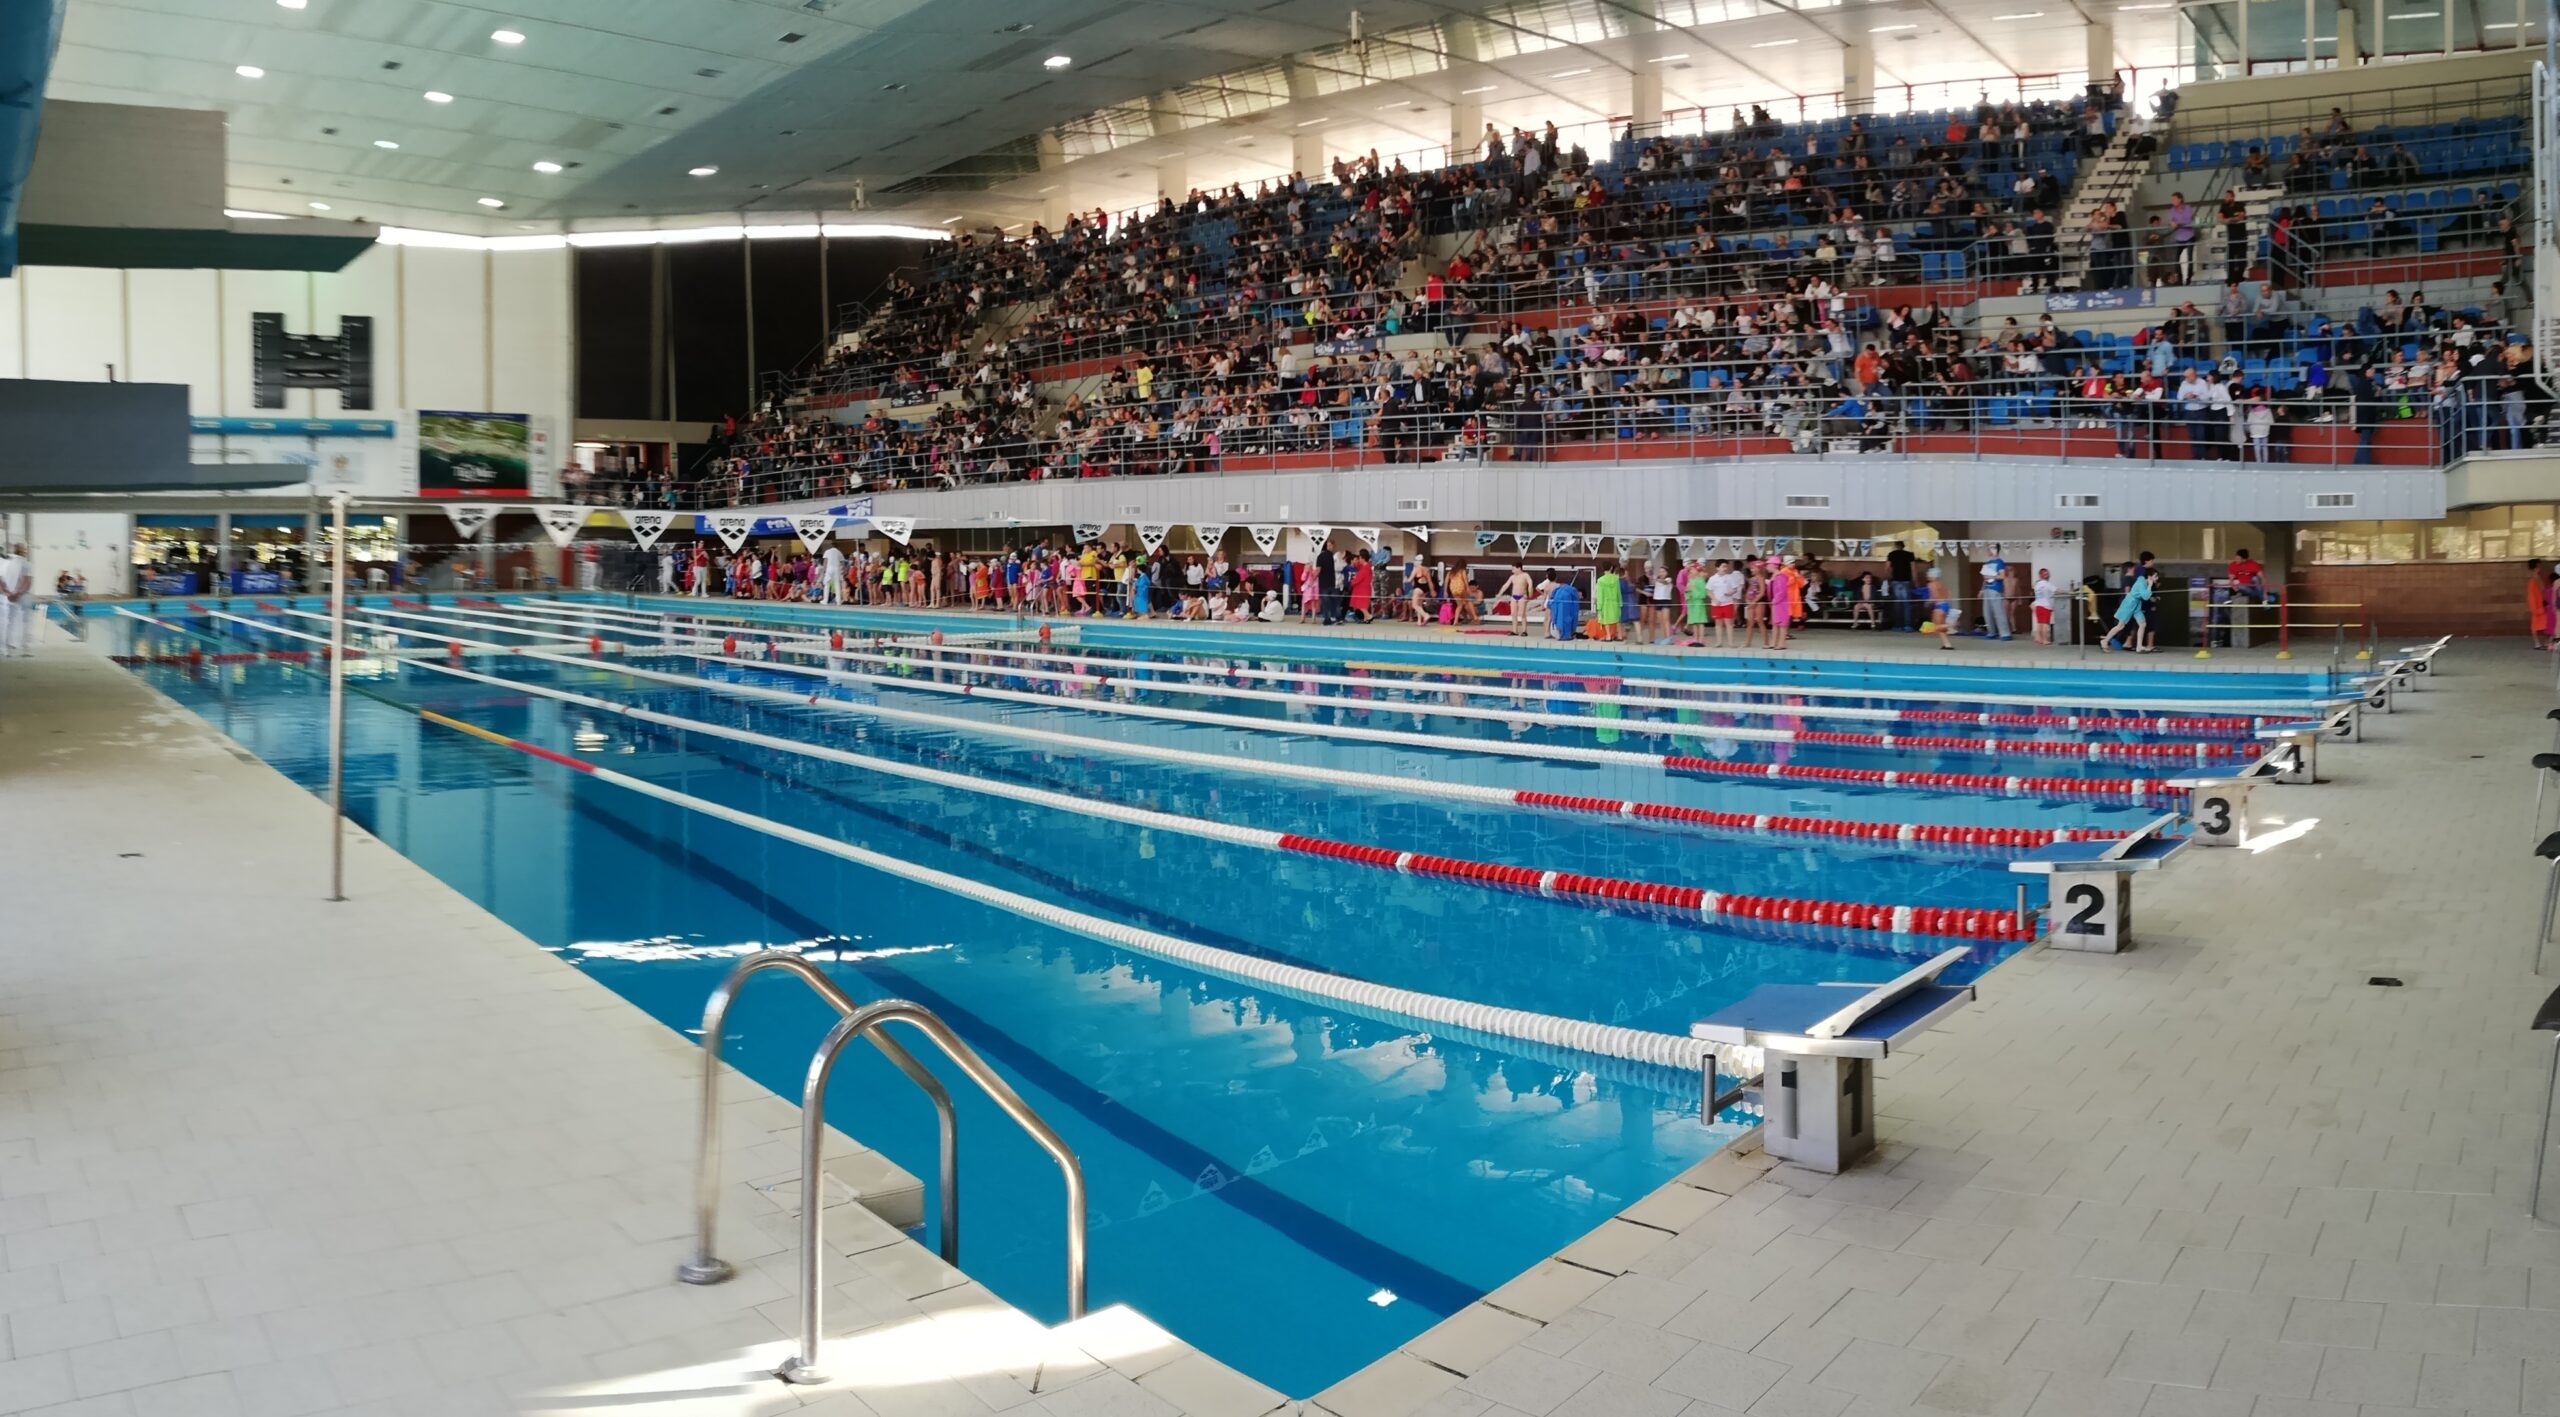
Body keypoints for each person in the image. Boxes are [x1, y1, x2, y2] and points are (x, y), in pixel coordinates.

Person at [2101, 564, 2153, 652]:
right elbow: (2145, 597)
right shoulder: (2141, 582)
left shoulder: (2141, 581)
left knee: (2142, 624)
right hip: (2130, 604)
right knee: (2120, 626)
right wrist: (2150, 585)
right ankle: (2105, 641)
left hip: (2135, 604)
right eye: (2153, 576)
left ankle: (2139, 647)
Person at [1706, 558, 1744, 648]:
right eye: (1723, 566)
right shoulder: (1712, 579)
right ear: (1717, 567)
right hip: (1716, 605)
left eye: (1726, 566)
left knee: (1729, 623)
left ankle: (1731, 643)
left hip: (1728, 603)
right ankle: (1719, 642)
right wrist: (1714, 599)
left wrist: (1731, 592)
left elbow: (1735, 588)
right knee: (1718, 624)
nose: (1725, 568)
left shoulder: (1730, 577)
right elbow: (1708, 591)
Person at [0, 542, 29, 656]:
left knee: (7, 622)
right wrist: (11, 592)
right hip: (6, 596)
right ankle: (5, 646)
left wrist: (9, 592)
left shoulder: (7, 563)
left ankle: (6, 645)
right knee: (6, 622)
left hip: (5, 596)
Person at [1978, 549, 2013, 641]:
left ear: (1995, 550)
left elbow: (2002, 576)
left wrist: (1991, 577)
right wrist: (1981, 590)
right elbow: (1984, 578)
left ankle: (2005, 633)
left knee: (1999, 612)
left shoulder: (2000, 563)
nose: (1988, 550)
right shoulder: (1987, 563)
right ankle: (1991, 632)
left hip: (1996, 589)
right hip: (1987, 589)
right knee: (1987, 612)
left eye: (1991, 548)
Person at [1922, 564, 1959, 649]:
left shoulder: (1931, 584)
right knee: (1940, 627)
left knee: (1934, 627)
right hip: (1946, 605)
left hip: (1939, 606)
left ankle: (1951, 625)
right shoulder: (1942, 584)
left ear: (1933, 576)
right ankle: (1947, 644)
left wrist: (1928, 602)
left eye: (1929, 574)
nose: (1927, 576)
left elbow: (1934, 596)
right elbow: (1949, 595)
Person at [1767, 556, 1799, 651]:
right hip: (1775, 602)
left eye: (1768, 564)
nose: (1767, 566)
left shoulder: (1780, 576)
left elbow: (1782, 591)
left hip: (1781, 603)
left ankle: (1782, 643)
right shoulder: (1774, 576)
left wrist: (1775, 600)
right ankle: (1774, 642)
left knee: (1782, 624)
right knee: (1775, 623)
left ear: (1774, 565)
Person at [1591, 562, 1622, 642]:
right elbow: (1619, 592)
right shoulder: (1616, 579)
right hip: (1615, 602)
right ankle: (1620, 636)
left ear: (1602, 569)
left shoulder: (1600, 580)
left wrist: (1599, 606)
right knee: (1617, 619)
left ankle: (1608, 637)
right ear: (1611, 568)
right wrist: (1620, 602)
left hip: (1605, 603)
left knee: (1606, 620)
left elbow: (1600, 594)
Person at [1502, 563, 1534, 636]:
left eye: (1513, 568)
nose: (1512, 570)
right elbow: (1506, 585)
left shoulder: (1525, 575)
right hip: (1514, 596)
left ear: (1519, 568)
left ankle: (1524, 631)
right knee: (1513, 614)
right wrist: (1500, 593)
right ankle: (1515, 631)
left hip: (1522, 596)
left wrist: (1530, 592)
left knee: (1522, 614)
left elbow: (1530, 583)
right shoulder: (1512, 577)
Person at [1547, 572, 1581, 640]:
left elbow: (1550, 598)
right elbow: (1574, 613)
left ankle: (1550, 633)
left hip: (1557, 603)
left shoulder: (1550, 587)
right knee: (1567, 620)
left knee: (1555, 618)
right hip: (1566, 605)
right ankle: (1566, 635)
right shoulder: (1571, 591)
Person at [2030, 566, 2058, 645]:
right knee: (2045, 623)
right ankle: (2045, 640)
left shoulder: (2037, 584)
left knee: (2040, 623)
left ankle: (2038, 638)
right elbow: (2056, 590)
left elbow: (2033, 588)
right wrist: (2068, 592)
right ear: (2047, 575)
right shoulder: (2047, 584)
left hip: (2038, 605)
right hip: (2046, 606)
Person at [2531, 559, 2554, 650]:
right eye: (2539, 566)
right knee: (2545, 623)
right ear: (2537, 566)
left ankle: (2539, 643)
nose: (2540, 567)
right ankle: (2545, 642)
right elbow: (2542, 589)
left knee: (2537, 624)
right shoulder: (2536, 577)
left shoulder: (2533, 577)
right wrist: (2545, 600)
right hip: (2538, 604)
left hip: (2536, 604)